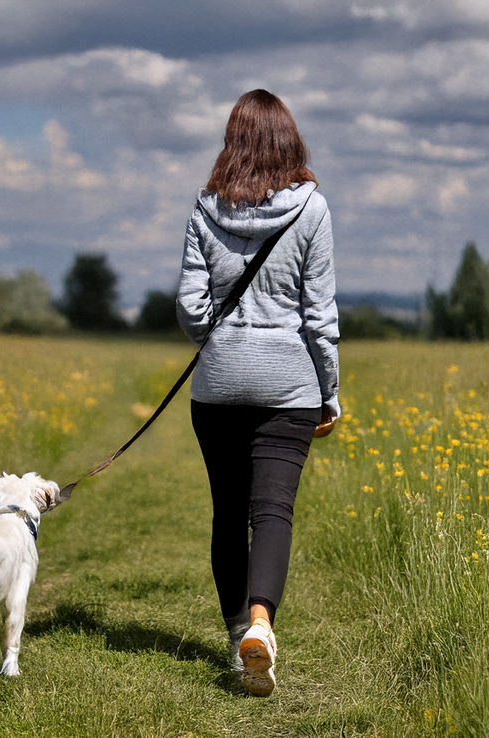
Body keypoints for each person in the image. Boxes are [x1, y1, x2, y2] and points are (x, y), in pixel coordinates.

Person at [176, 89, 340, 697]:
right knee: (272, 511)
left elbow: (190, 306)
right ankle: (262, 625)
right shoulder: (313, 210)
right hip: (290, 386)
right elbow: (319, 314)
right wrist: (331, 391)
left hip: (217, 387)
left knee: (228, 511)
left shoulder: (205, 206)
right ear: (288, 140)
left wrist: (219, 335)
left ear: (233, 141)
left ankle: (234, 633)